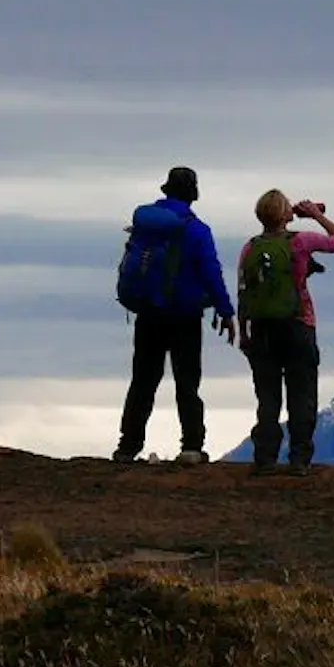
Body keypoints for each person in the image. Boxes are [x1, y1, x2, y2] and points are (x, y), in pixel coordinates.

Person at [116, 167, 234, 465]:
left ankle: (127, 447)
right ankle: (191, 446)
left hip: (148, 313)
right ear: (193, 193)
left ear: (166, 189)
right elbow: (211, 272)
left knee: (143, 380)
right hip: (185, 316)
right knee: (187, 382)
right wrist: (225, 311)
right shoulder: (197, 230)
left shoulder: (145, 225)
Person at [236, 190, 334, 476]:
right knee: (302, 394)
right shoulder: (301, 241)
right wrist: (316, 215)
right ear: (286, 215)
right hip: (298, 324)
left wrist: (244, 332)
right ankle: (299, 459)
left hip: (261, 328)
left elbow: (243, 292)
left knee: (268, 395)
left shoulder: (249, 248)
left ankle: (265, 457)